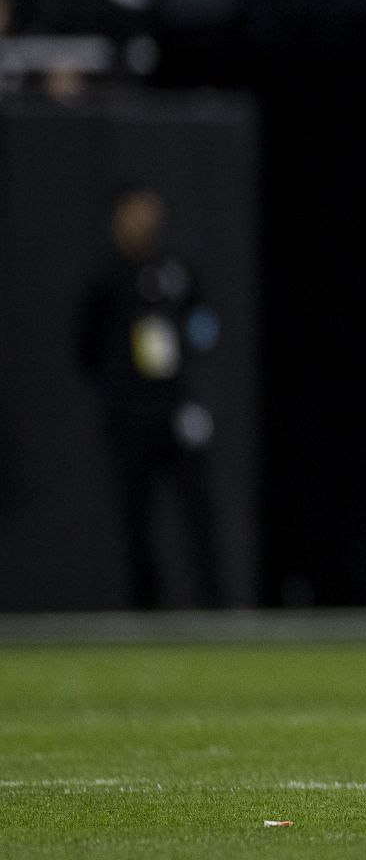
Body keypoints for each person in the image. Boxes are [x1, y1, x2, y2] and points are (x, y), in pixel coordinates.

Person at [76, 187, 224, 608]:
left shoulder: (176, 270)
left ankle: (213, 607)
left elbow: (203, 324)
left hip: (175, 408)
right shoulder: (106, 278)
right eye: (135, 213)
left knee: (199, 512)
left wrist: (198, 342)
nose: (144, 221)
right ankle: (145, 610)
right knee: (136, 519)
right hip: (130, 416)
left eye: (149, 212)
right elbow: (85, 348)